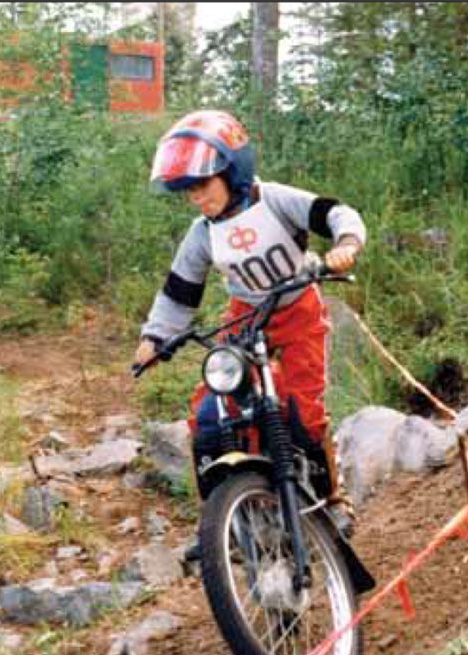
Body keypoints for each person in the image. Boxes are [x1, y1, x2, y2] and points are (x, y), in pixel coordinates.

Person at [133, 109, 365, 521]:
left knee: (303, 412)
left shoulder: (273, 199)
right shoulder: (203, 232)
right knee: (210, 416)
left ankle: (332, 498)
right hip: (245, 319)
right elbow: (179, 291)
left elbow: (334, 212)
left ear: (232, 171)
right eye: (189, 191)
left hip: (298, 310)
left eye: (203, 185)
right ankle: (219, 518)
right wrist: (154, 338)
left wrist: (346, 243)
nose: (197, 198)